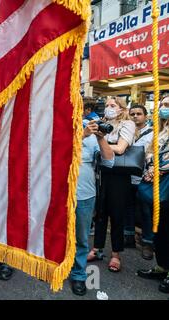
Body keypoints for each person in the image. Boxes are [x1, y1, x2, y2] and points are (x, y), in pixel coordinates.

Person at [70, 104, 114, 296]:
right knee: (59, 234)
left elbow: (109, 161)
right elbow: (57, 152)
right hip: (60, 194)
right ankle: (56, 267)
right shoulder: (59, 126)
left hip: (85, 195)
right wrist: (83, 135)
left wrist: (100, 137)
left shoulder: (91, 127)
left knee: (81, 238)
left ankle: (79, 275)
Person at [88, 96, 135, 273]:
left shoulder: (127, 125)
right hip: (102, 172)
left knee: (117, 214)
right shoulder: (101, 122)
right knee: (100, 213)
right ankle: (97, 248)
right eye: (107, 105)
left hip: (119, 175)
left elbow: (121, 148)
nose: (109, 108)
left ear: (122, 109)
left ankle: (116, 254)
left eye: (113, 105)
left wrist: (101, 144)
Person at [137, 95, 169, 294]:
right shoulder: (161, 130)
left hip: (164, 182)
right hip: (157, 183)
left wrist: (159, 170)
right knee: (161, 230)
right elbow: (151, 153)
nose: (163, 108)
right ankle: (162, 266)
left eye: (167, 105)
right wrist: (151, 168)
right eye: (162, 104)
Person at [125, 105, 153, 256]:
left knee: (146, 210)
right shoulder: (126, 131)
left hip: (145, 177)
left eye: (139, 114)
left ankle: (148, 242)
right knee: (127, 207)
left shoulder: (153, 134)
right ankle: (128, 235)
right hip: (127, 175)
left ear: (146, 116)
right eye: (133, 114)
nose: (135, 116)